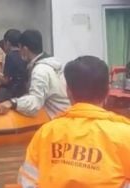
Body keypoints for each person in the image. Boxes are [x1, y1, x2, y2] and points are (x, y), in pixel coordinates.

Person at [17, 56, 130, 188]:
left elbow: (27, 182)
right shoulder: (125, 134)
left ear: (68, 91)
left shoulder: (46, 133)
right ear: (107, 92)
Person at [0, 30, 70, 119]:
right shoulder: (52, 64)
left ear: (25, 49)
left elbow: (35, 102)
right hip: (67, 113)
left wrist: (12, 103)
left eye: (20, 49)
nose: (19, 53)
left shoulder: (40, 70)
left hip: (59, 119)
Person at [0, 29, 28, 102]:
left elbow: (6, 80)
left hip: (13, 92)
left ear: (7, 43)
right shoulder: (24, 53)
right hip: (24, 90)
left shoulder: (10, 55)